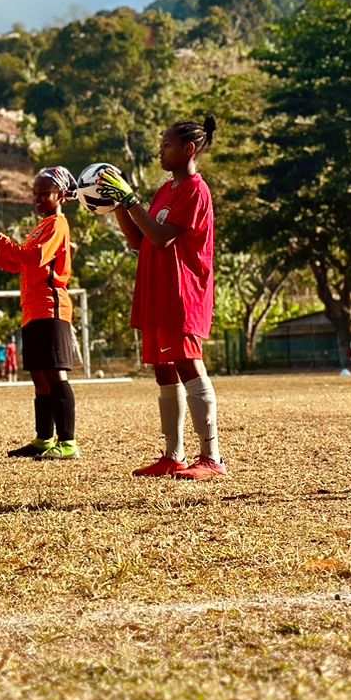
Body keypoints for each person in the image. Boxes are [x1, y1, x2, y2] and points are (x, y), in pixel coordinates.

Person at [97, 119, 222, 480]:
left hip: (182, 293)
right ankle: (173, 455)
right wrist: (120, 207)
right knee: (163, 371)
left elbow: (164, 237)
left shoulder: (196, 190)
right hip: (156, 291)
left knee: (188, 365)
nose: (160, 150)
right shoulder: (166, 189)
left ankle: (212, 456)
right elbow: (142, 241)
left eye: (167, 145)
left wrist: (131, 199)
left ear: (189, 150)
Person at [0, 167, 80, 459]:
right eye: (35, 193)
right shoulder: (40, 227)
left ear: (61, 195)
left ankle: (67, 443)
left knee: (54, 374)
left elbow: (34, 257)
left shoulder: (57, 225)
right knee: (39, 376)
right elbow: (19, 264)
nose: (38, 198)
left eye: (45, 192)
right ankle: (43, 439)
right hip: (34, 311)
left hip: (51, 307)